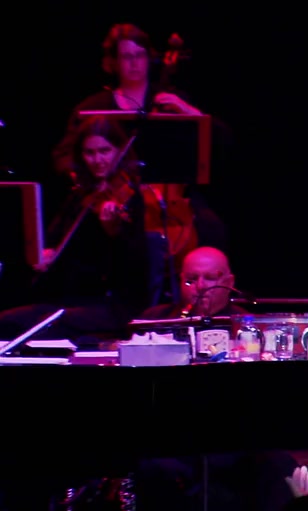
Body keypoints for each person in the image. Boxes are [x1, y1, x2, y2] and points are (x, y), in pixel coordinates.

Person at [52, 24, 225, 256]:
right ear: (113, 62)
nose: (134, 63)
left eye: (139, 55)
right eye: (126, 57)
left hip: (168, 195)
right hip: (113, 196)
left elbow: (223, 139)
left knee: (211, 228)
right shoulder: (94, 106)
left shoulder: (171, 100)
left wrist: (189, 111)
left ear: (149, 58)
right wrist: (85, 178)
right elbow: (63, 155)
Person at [0, 117, 156, 344]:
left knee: (45, 326)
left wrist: (113, 232)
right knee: (7, 321)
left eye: (105, 151)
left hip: (115, 305)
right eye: (89, 153)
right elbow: (56, 239)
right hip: (75, 300)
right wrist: (46, 253)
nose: (97, 160)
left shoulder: (132, 197)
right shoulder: (81, 194)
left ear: (119, 150)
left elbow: (134, 267)